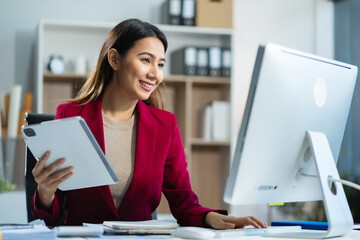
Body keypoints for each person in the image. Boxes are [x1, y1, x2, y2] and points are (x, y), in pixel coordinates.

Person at [31, 18, 267, 229]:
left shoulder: (165, 126)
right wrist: (45, 191)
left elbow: (184, 204)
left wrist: (211, 218)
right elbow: (52, 219)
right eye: (146, 60)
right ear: (114, 59)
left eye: (161, 64)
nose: (156, 74)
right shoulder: (71, 115)